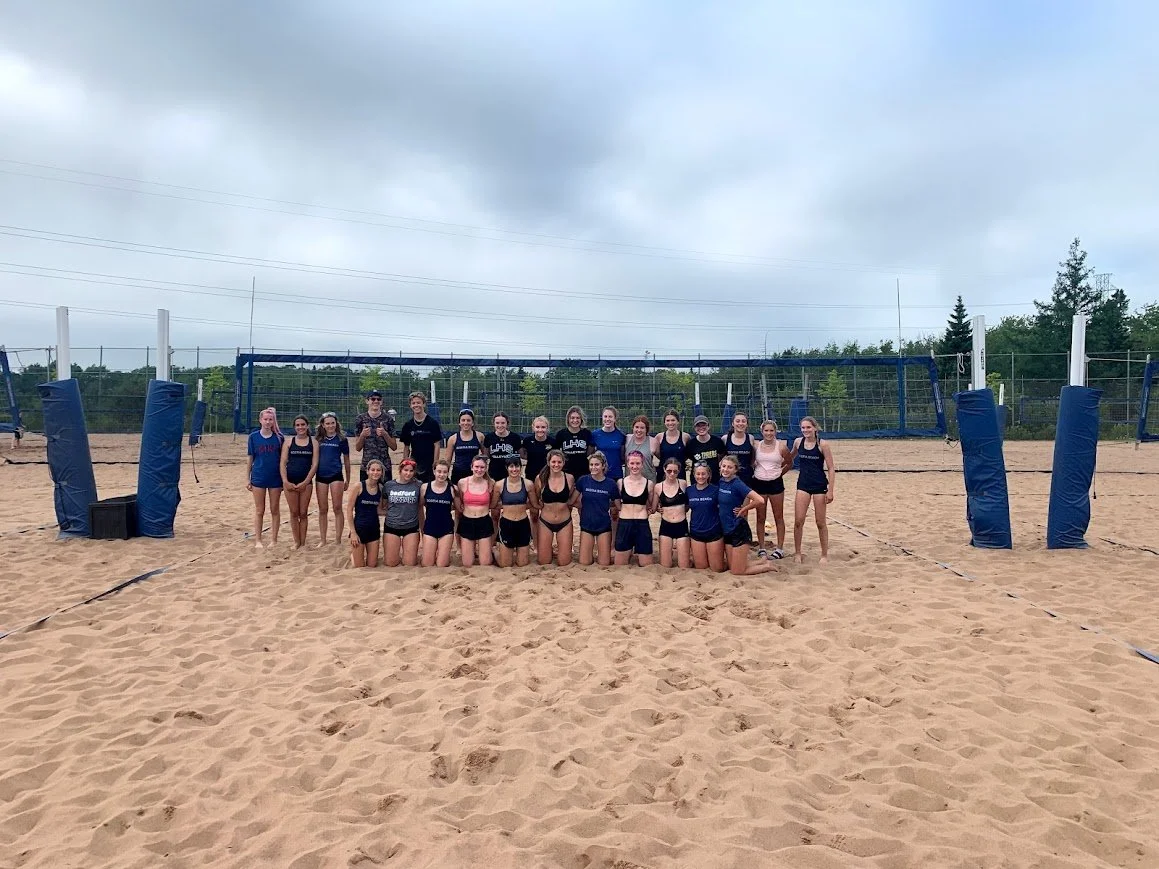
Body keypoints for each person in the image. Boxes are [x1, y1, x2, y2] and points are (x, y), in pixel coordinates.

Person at [717, 455, 775, 576]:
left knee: (736, 571)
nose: (726, 469)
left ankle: (767, 566)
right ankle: (761, 561)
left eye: (729, 467)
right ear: (720, 467)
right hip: (726, 530)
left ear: (735, 469)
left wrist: (744, 509)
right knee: (731, 565)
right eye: (724, 466)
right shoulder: (721, 481)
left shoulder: (737, 484)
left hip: (738, 530)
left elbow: (759, 500)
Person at [791, 416, 837, 565]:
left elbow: (831, 468)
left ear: (815, 428)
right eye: (803, 428)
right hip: (803, 484)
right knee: (798, 521)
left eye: (808, 427)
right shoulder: (798, 442)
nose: (805, 430)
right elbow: (789, 458)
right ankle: (797, 552)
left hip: (819, 485)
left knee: (820, 522)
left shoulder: (822, 444)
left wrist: (830, 490)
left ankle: (824, 555)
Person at [246, 407, 284, 549]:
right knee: (259, 510)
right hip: (258, 477)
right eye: (265, 419)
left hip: (275, 477)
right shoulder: (253, 437)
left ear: (274, 421)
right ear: (260, 420)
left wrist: (283, 479)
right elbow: (250, 458)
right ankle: (258, 540)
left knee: (275, 509)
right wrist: (247, 478)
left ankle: (274, 539)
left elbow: (283, 460)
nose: (268, 422)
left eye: (270, 419)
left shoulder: (279, 438)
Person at [751, 420, 789, 559]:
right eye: (766, 430)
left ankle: (780, 548)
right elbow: (753, 462)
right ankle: (762, 547)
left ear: (775, 431)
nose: (769, 433)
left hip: (776, 484)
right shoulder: (756, 446)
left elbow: (789, 462)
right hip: (759, 483)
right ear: (762, 432)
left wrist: (779, 473)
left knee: (778, 516)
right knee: (761, 517)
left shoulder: (782, 447)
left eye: (771, 430)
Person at [280, 415, 318, 550]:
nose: (300, 427)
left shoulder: (313, 443)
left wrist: (306, 481)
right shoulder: (289, 442)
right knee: (294, 512)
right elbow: (283, 462)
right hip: (290, 481)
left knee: (303, 512)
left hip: (306, 482)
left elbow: (314, 464)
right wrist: (285, 481)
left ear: (307, 426)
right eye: (298, 425)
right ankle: (296, 541)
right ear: (294, 427)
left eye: (303, 424)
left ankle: (303, 541)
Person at [576, 451, 620, 566]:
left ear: (603, 466)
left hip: (603, 526)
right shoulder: (583, 480)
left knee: (604, 563)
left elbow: (618, 505)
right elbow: (573, 501)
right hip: (587, 525)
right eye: (591, 465)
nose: (593, 467)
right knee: (584, 562)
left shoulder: (611, 484)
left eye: (597, 465)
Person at [534, 449, 577, 567]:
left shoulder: (569, 478)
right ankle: (547, 550)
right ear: (548, 462)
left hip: (565, 522)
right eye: (553, 462)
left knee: (564, 562)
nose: (556, 465)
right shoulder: (540, 479)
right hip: (545, 522)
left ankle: (560, 549)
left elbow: (572, 498)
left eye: (559, 462)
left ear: (563, 463)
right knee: (543, 561)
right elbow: (536, 498)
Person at [314, 412, 350, 547]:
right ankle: (323, 540)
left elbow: (346, 459)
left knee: (337, 507)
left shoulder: (341, 439)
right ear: (323, 425)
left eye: (332, 423)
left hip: (336, 475)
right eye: (327, 423)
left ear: (336, 424)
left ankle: (338, 539)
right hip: (321, 476)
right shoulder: (318, 439)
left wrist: (348, 478)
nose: (330, 426)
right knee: (323, 508)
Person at [613, 450, 654, 566]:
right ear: (627, 463)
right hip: (624, 524)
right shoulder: (621, 482)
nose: (634, 466)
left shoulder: (649, 484)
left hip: (642, 524)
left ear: (642, 464)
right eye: (632, 463)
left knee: (646, 565)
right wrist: (620, 509)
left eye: (637, 463)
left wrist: (650, 511)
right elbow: (616, 501)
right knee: (620, 564)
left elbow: (652, 504)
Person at [380, 458, 423, 567]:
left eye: (411, 471)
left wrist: (423, 530)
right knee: (391, 563)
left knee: (409, 563)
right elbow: (383, 506)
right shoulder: (389, 485)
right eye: (405, 470)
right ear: (400, 470)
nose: (408, 473)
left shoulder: (418, 485)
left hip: (411, 527)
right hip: (392, 526)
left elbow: (420, 508)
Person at [455, 455, 495, 567]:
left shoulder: (490, 483)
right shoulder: (462, 482)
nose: (479, 470)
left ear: (486, 468)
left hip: (484, 521)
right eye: (476, 467)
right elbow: (460, 503)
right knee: (467, 563)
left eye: (482, 467)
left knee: (485, 563)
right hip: (467, 521)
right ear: (471, 467)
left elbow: (493, 503)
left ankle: (492, 552)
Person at [686, 461, 725, 572]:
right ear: (694, 475)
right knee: (701, 568)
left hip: (713, 532)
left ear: (708, 475)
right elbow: (684, 508)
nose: (701, 477)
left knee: (717, 569)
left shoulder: (716, 490)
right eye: (698, 474)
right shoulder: (689, 490)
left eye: (703, 474)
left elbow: (726, 505)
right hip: (696, 533)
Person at [652, 457, 690, 568]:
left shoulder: (683, 484)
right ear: (664, 469)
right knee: (665, 565)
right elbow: (653, 508)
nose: (672, 474)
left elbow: (688, 503)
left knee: (684, 566)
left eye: (675, 471)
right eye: (669, 471)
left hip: (681, 524)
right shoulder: (658, 487)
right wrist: (658, 508)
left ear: (679, 471)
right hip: (666, 525)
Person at [521, 415, 554, 537]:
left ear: (547, 428)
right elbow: (523, 455)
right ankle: (535, 542)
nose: (540, 430)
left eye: (543, 427)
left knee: (548, 512)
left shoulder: (552, 442)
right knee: (534, 513)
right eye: (538, 427)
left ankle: (548, 541)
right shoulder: (527, 441)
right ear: (533, 427)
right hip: (531, 478)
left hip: (548, 479)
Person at [347, 458, 384, 568]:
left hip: (374, 529)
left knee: (372, 565)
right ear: (367, 471)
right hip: (359, 529)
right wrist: (353, 532)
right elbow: (349, 509)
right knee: (359, 567)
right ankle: (353, 556)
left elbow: (379, 510)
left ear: (382, 472)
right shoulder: (358, 486)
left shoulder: (381, 488)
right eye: (372, 470)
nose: (375, 472)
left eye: (378, 470)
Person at [496, 456, 533, 567]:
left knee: (522, 563)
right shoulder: (499, 485)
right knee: (505, 565)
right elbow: (494, 505)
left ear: (521, 467)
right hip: (507, 523)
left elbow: (534, 503)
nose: (514, 469)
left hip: (523, 523)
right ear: (507, 468)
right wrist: (509, 506)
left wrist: (520, 506)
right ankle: (495, 551)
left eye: (517, 466)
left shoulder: (528, 484)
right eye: (511, 466)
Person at [399, 391, 442, 483]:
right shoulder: (408, 425)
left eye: (418, 402)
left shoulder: (432, 423)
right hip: (414, 464)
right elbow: (406, 447)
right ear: (410, 405)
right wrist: (406, 464)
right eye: (413, 403)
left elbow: (437, 445)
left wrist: (435, 464)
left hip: (429, 464)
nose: (416, 405)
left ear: (424, 404)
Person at [354, 389, 396, 482]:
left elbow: (394, 446)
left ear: (381, 402)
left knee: (384, 495)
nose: (376, 401)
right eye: (373, 399)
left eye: (378, 399)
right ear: (367, 401)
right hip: (367, 466)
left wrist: (385, 434)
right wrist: (362, 435)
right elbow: (357, 447)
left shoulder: (388, 419)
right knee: (365, 494)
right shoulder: (360, 419)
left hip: (384, 465)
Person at [421, 459, 456, 568]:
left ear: (448, 473)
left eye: (445, 472)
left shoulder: (453, 489)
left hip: (446, 529)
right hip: (430, 527)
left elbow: (458, 508)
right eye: (439, 471)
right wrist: (421, 527)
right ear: (434, 471)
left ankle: (443, 554)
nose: (441, 475)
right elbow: (421, 505)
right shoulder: (425, 487)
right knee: (427, 564)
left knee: (442, 565)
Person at [556, 406, 594, 481]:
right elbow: (556, 452)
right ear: (568, 419)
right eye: (572, 418)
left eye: (578, 418)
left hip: (583, 471)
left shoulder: (587, 433)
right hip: (566, 471)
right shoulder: (561, 434)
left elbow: (590, 451)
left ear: (581, 419)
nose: (575, 420)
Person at [444, 409, 481, 484]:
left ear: (473, 422)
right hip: (458, 474)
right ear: (459, 423)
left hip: (474, 473)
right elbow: (448, 460)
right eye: (463, 420)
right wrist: (445, 475)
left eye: (468, 420)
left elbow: (485, 457)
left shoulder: (479, 436)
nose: (466, 423)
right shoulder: (453, 439)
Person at [483, 412, 523, 481]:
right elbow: (486, 456)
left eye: (503, 423)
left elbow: (520, 456)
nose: (500, 425)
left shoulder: (515, 437)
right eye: (497, 423)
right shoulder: (489, 437)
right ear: (493, 424)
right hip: (494, 474)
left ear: (507, 423)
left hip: (510, 474)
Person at [652, 409, 690, 480]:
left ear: (678, 421)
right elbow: (658, 455)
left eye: (673, 420)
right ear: (664, 422)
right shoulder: (659, 437)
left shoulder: (685, 437)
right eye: (668, 420)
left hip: (679, 474)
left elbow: (687, 454)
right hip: (663, 475)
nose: (670, 423)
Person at [591, 406, 626, 481]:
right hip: (600, 475)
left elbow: (622, 456)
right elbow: (590, 455)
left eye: (610, 417)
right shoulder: (595, 435)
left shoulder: (621, 435)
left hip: (616, 475)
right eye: (605, 416)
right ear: (602, 418)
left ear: (615, 418)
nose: (607, 419)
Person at [688, 415, 726, 483]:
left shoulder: (717, 441)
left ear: (708, 426)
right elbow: (688, 458)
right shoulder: (691, 443)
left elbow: (723, 455)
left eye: (703, 425)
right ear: (694, 428)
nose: (701, 428)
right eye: (698, 426)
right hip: (698, 479)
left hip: (714, 479)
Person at [724, 412, 756, 486]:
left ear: (747, 424)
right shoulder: (725, 438)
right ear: (733, 423)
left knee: (746, 497)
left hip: (747, 477)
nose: (740, 423)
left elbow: (753, 458)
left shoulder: (750, 438)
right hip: (730, 477)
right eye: (737, 421)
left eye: (743, 421)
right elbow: (721, 457)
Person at [624, 415, 656, 481]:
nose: (639, 430)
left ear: (646, 429)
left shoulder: (653, 441)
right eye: (637, 427)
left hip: (648, 480)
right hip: (630, 481)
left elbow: (661, 457)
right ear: (633, 428)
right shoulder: (627, 439)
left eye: (642, 428)